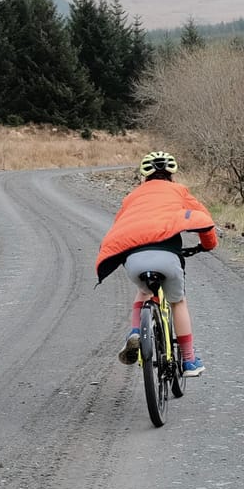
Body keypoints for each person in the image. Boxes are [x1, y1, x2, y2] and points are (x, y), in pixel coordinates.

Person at [95, 150, 218, 376]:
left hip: (134, 260)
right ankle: (189, 361)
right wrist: (208, 245)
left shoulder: (131, 197)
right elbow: (204, 220)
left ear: (143, 176)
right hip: (168, 258)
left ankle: (134, 332)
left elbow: (119, 226)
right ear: (172, 175)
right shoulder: (179, 191)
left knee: (143, 292)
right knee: (177, 302)